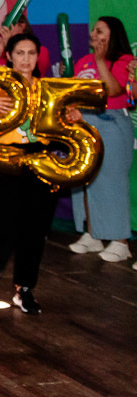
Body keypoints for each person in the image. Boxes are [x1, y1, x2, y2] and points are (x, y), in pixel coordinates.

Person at [0, 32, 73, 314]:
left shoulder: (47, 88)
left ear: (38, 57)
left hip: (40, 162)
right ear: (10, 56)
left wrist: (72, 117)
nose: (26, 59)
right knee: (2, 228)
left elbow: (65, 121)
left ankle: (24, 288)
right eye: (20, 53)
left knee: (36, 229)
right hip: (5, 162)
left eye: (31, 53)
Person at [67, 16, 134, 264]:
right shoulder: (82, 61)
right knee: (85, 180)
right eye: (93, 30)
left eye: (100, 31)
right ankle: (93, 233)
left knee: (111, 181)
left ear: (112, 35)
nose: (93, 34)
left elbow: (114, 90)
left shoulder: (123, 61)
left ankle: (121, 242)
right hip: (83, 121)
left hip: (111, 121)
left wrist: (100, 60)